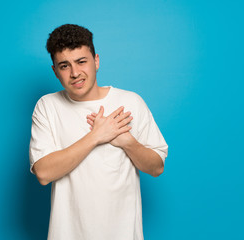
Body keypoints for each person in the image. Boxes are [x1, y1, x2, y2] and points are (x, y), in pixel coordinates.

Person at [29, 24, 168, 240]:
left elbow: (157, 167)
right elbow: (44, 173)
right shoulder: (48, 106)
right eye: (64, 66)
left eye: (81, 61)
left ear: (96, 61)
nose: (75, 73)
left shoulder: (130, 102)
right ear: (55, 71)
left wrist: (127, 142)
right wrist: (96, 136)